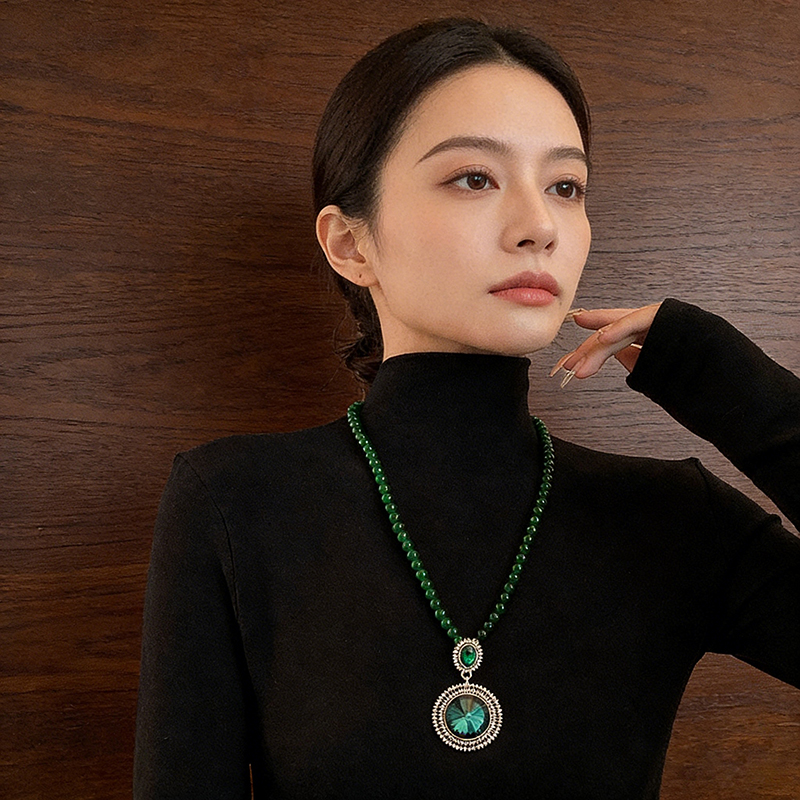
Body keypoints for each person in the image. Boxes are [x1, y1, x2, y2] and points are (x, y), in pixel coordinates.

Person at [133, 18, 800, 799]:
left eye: (565, 186)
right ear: (351, 243)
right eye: (475, 178)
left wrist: (725, 379)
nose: (539, 226)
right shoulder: (234, 503)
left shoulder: (671, 518)